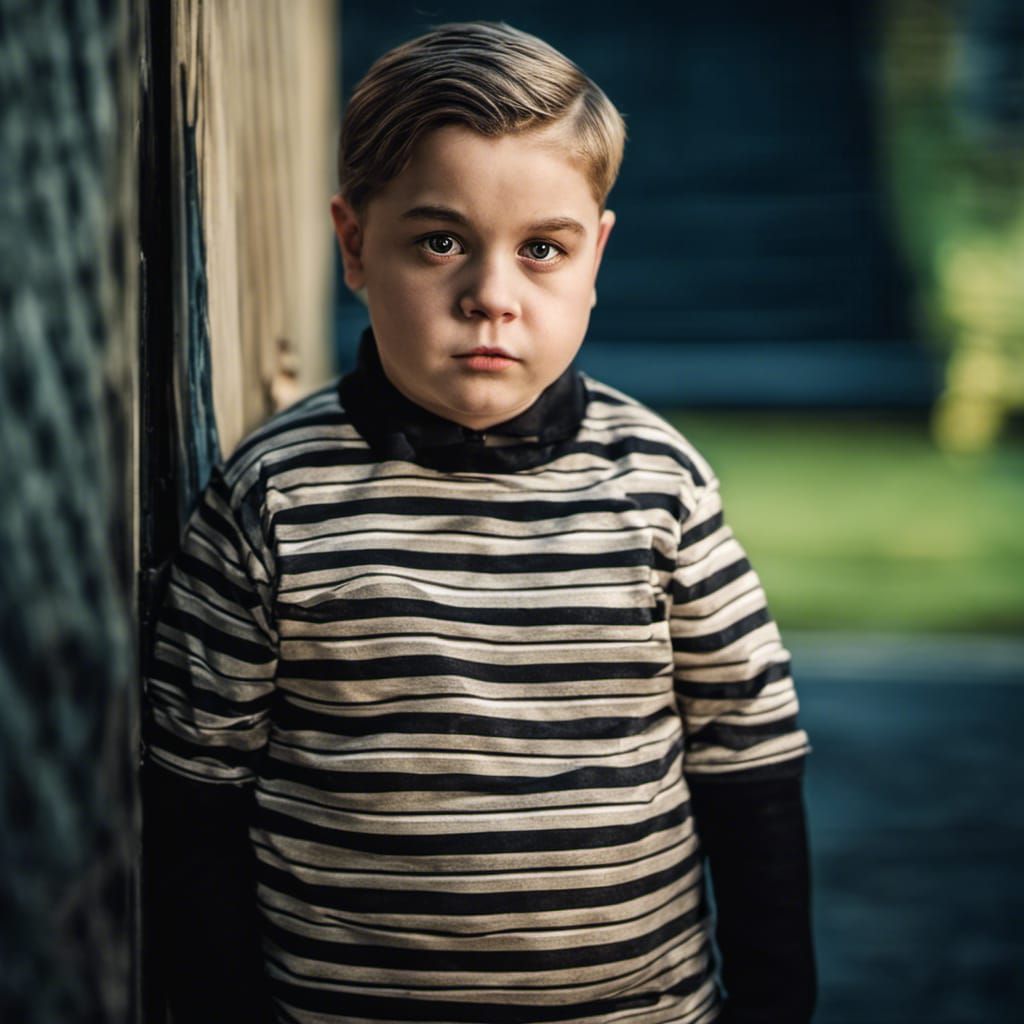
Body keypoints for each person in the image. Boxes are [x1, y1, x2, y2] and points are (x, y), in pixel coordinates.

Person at [144, 21, 816, 1024]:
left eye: (542, 249)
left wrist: (775, 1001)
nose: (491, 297)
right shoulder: (271, 498)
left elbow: (748, 757)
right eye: (441, 242)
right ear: (354, 244)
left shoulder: (661, 486)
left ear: (596, 255)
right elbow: (195, 789)